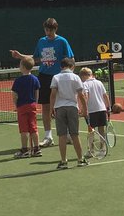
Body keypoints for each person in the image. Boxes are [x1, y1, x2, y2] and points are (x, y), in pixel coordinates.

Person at [11, 17, 73, 148]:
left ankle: (67, 134)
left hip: (58, 77)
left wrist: (69, 74)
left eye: (50, 30)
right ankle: (48, 136)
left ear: (55, 29)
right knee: (45, 107)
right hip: (44, 77)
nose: (47, 32)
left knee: (61, 106)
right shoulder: (41, 41)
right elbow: (35, 59)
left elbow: (71, 59)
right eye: (46, 29)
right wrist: (20, 56)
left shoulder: (62, 41)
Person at [49, 57, 87, 169]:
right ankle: (80, 159)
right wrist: (85, 109)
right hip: (72, 107)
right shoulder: (75, 77)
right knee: (75, 134)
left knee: (62, 135)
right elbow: (81, 95)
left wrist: (51, 108)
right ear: (72, 66)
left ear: (61, 67)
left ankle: (63, 161)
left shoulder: (56, 77)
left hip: (59, 108)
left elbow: (53, 94)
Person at [10, 55, 41, 159]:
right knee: (33, 127)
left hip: (22, 107)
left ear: (22, 67)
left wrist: (15, 105)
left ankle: (24, 150)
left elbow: (14, 94)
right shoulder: (35, 79)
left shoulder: (18, 81)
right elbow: (37, 92)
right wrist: (35, 103)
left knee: (24, 130)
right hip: (32, 106)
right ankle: (37, 149)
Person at [79, 66, 111, 158]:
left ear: (83, 76)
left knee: (91, 131)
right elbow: (105, 96)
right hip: (102, 109)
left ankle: (90, 150)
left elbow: (86, 96)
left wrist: (84, 109)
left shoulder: (85, 84)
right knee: (101, 130)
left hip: (91, 110)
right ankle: (102, 149)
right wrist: (108, 107)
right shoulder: (99, 82)